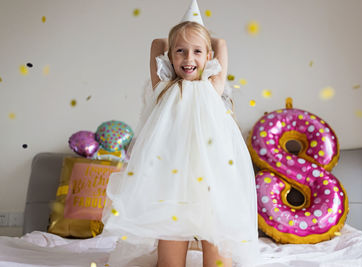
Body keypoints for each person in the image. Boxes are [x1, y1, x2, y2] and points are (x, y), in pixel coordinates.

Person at [102, 2, 258, 267]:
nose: (188, 59)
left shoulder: (213, 86)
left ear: (209, 57)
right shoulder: (163, 87)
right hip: (171, 187)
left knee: (218, 253)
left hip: (212, 185)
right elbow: (155, 44)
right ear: (170, 57)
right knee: (170, 261)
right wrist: (181, 36)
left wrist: (197, 35)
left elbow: (220, 43)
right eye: (180, 52)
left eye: (197, 52)